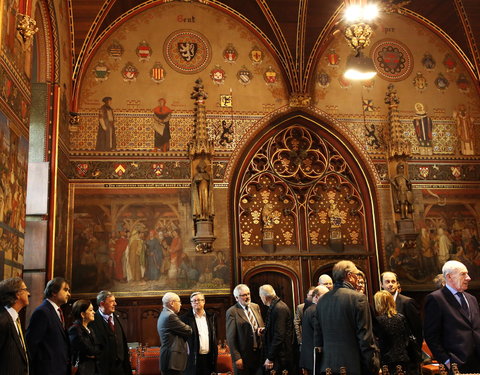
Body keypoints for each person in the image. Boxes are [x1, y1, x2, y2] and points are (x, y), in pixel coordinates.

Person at [315, 260, 379, 375]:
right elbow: (365, 337)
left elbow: (318, 337)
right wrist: (373, 364)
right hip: (354, 366)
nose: (357, 279)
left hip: (328, 366)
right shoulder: (358, 298)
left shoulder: (322, 301)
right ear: (350, 276)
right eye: (357, 275)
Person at [424, 260, 480, 373]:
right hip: (456, 365)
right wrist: (446, 361)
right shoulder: (436, 299)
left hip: (477, 362)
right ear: (449, 277)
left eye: (467, 274)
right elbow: (431, 336)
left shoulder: (472, 299)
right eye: (463, 274)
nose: (468, 278)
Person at [26, 277, 71, 375]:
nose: (69, 294)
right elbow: (31, 344)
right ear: (54, 292)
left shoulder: (58, 311)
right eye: (65, 290)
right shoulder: (42, 312)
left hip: (59, 369)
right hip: (47, 370)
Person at [381, 271, 422, 374]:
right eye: (387, 282)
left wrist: (415, 352)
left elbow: (417, 330)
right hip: (387, 357)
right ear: (381, 284)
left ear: (397, 284)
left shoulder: (407, 302)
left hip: (407, 358)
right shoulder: (378, 304)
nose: (390, 284)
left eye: (393, 281)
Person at [226, 284, 265, 375]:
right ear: (236, 298)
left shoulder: (256, 307)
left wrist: (260, 330)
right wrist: (237, 358)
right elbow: (230, 337)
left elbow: (259, 324)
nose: (247, 297)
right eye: (243, 295)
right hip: (244, 356)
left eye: (248, 294)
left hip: (259, 354)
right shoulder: (232, 311)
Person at [90, 290, 132, 375]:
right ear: (102, 303)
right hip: (103, 368)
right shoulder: (93, 320)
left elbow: (122, 340)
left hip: (121, 367)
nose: (115, 304)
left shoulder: (118, 315)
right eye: (112, 301)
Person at [259, 284, 294, 374]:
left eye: (260, 296)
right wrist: (265, 330)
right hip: (279, 355)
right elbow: (276, 329)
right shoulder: (276, 306)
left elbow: (279, 336)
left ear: (265, 297)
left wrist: (270, 358)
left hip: (281, 357)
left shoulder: (279, 308)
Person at [180, 292, 217, 375]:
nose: (196, 302)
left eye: (199, 300)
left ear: (204, 301)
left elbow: (214, 336)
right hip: (193, 358)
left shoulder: (211, 317)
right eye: (194, 301)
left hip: (209, 358)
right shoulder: (184, 318)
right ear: (191, 303)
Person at [374, 290, 410, 375]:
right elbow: (407, 338)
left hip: (386, 360)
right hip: (403, 358)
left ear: (378, 304)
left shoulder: (378, 321)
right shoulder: (401, 318)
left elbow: (379, 342)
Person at [0, 277, 30, 375]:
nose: (28, 293)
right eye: (25, 290)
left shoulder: (15, 319)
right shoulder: (3, 321)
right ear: (17, 294)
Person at [157, 292, 192, 375]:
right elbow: (189, 330)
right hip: (171, 360)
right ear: (172, 303)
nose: (180, 304)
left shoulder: (164, 313)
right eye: (179, 302)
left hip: (169, 359)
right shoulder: (170, 316)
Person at [300, 285, 329, 375]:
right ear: (316, 296)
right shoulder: (316, 310)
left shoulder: (309, 309)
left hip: (309, 355)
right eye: (325, 296)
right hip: (315, 356)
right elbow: (319, 332)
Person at [68, 299, 100, 375]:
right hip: (82, 370)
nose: (94, 312)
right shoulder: (74, 329)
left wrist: (94, 353)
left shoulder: (90, 329)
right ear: (82, 314)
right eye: (91, 310)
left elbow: (98, 348)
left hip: (92, 369)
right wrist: (93, 352)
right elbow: (89, 350)